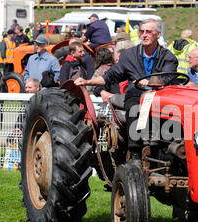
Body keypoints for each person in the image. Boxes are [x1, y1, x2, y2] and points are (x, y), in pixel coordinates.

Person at [74, 19, 178, 161]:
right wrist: (88, 81)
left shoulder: (168, 57)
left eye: (149, 32)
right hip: (137, 95)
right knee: (134, 106)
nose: (144, 35)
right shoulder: (129, 56)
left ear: (158, 34)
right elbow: (110, 76)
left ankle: (171, 149)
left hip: (160, 98)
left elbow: (168, 78)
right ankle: (134, 152)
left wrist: (149, 83)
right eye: (142, 32)